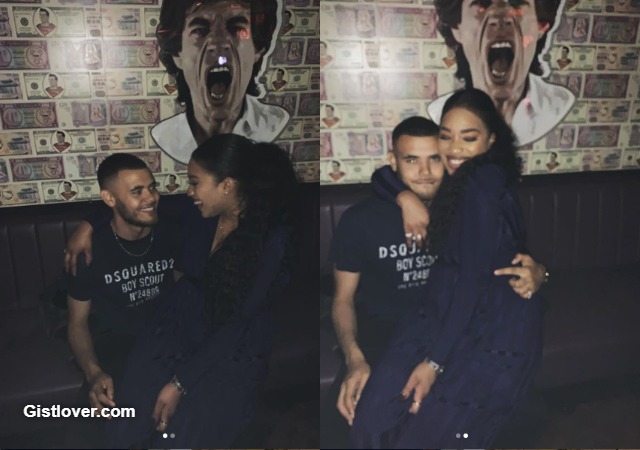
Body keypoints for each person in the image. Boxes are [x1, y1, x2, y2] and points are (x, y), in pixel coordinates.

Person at [321, 116, 546, 448]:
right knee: (344, 425)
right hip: (385, 334)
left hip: (455, 330)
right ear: (393, 160)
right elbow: (342, 299)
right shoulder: (360, 220)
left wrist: (540, 272)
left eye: (435, 159)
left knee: (503, 417)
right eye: (411, 160)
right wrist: (353, 357)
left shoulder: (464, 208)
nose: (425, 172)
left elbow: (509, 258)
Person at [104, 135, 296, 447]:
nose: (189, 191)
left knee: (182, 432)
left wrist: (179, 383)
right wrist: (88, 225)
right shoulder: (197, 212)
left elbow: (238, 322)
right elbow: (135, 207)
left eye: (195, 182)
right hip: (179, 320)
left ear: (227, 185)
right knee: (128, 419)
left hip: (234, 340)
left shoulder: (271, 239)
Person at [65, 153, 180, 447]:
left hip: (165, 337)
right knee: (97, 422)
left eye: (152, 187)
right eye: (137, 191)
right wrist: (94, 373)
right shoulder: (88, 251)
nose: (151, 198)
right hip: (116, 344)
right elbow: (77, 323)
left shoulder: (172, 229)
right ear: (109, 198)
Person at [151, 0, 289, 164]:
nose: (218, 43)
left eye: (236, 28)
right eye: (200, 30)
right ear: (177, 54)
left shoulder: (274, 122)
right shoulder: (165, 137)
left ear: (257, 49)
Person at [427, 0, 574, 145]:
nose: (500, 17)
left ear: (540, 26)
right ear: (456, 29)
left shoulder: (559, 104)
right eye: (482, 3)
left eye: (516, 3)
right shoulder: (440, 113)